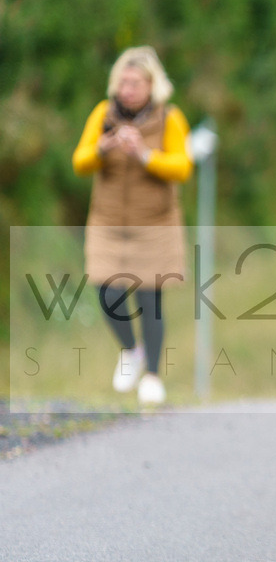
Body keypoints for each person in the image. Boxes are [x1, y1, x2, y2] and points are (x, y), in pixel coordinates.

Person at [72, 46, 193, 406]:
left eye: (135, 83)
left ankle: (153, 375)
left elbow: (182, 167)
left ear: (152, 85)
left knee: (149, 298)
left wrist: (143, 153)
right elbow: (80, 161)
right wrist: (104, 149)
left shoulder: (170, 118)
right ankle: (131, 351)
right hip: (108, 222)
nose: (127, 89)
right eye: (122, 82)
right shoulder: (103, 114)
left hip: (155, 223)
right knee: (106, 290)